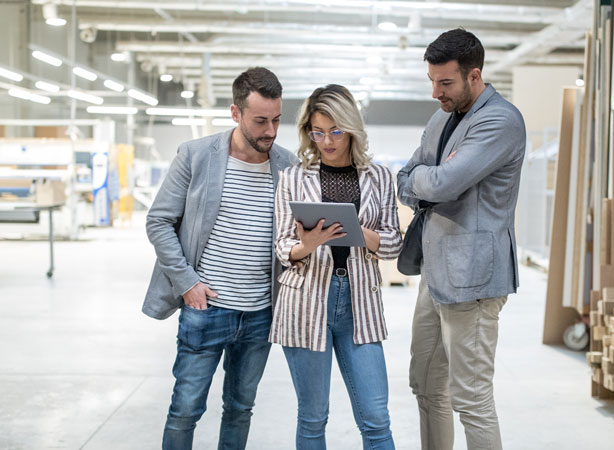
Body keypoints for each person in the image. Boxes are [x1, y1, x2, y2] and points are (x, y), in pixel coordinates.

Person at [142, 67, 296, 450]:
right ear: (235, 113)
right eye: (260, 121)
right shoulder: (196, 156)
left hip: (261, 313)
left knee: (241, 408)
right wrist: (187, 283)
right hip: (207, 307)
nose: (270, 131)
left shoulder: (287, 165)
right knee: (186, 409)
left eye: (276, 120)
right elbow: (159, 221)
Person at [396, 29, 526, 450]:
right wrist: (427, 180)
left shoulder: (500, 120)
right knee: (426, 386)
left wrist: (430, 179)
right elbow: (408, 177)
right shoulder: (442, 117)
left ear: (474, 75)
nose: (436, 92)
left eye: (445, 82)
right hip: (434, 275)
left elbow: (445, 183)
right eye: (432, 80)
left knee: (471, 398)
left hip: (473, 281)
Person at [270, 84, 402, 450]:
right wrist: (307, 245)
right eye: (318, 132)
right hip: (306, 300)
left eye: (336, 132)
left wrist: (361, 233)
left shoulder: (379, 177)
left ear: (352, 129)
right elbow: (282, 246)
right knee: (313, 418)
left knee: (376, 417)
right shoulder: (293, 178)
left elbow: (393, 243)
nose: (327, 141)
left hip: (359, 301)